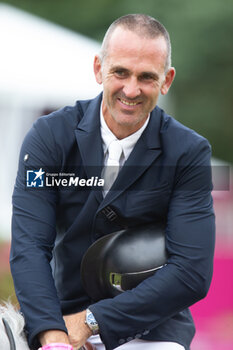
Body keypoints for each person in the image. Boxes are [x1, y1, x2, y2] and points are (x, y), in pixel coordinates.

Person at [11, 14, 215, 350]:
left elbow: (191, 272)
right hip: (58, 317)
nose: (131, 89)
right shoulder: (48, 137)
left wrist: (91, 322)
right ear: (98, 69)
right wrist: (53, 335)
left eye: (147, 77)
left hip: (152, 329)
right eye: (120, 72)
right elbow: (29, 246)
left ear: (166, 81)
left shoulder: (189, 152)